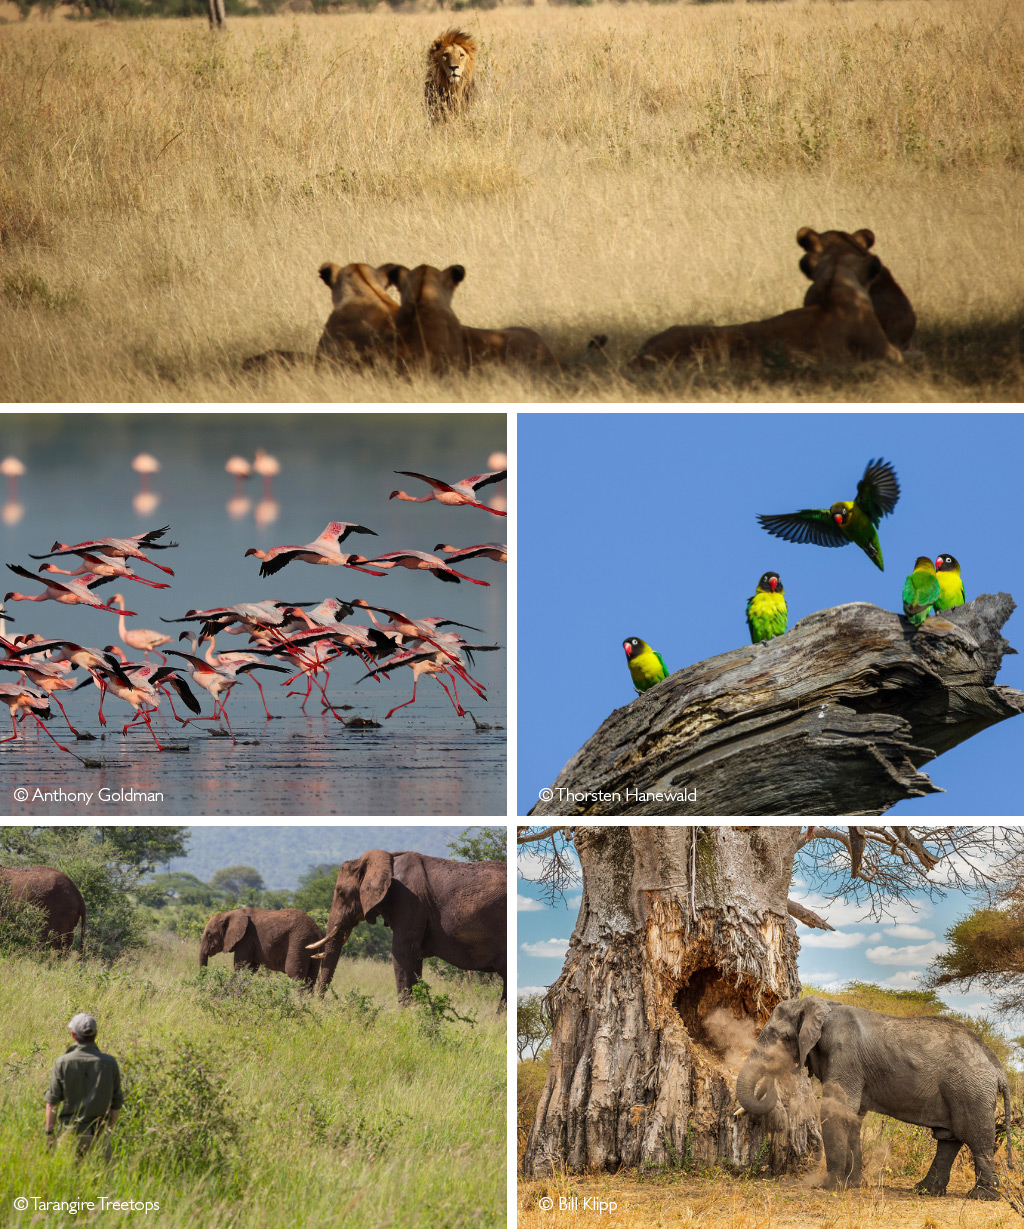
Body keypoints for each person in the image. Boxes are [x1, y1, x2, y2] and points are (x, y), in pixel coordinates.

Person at [45, 1012, 122, 1159]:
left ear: (73, 1035)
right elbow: (117, 1103)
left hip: (70, 1135)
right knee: (102, 1181)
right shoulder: (109, 1063)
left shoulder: (62, 1062)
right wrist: (107, 1132)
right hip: (98, 1135)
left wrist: (49, 1135)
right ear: (96, 1034)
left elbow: (51, 1104)